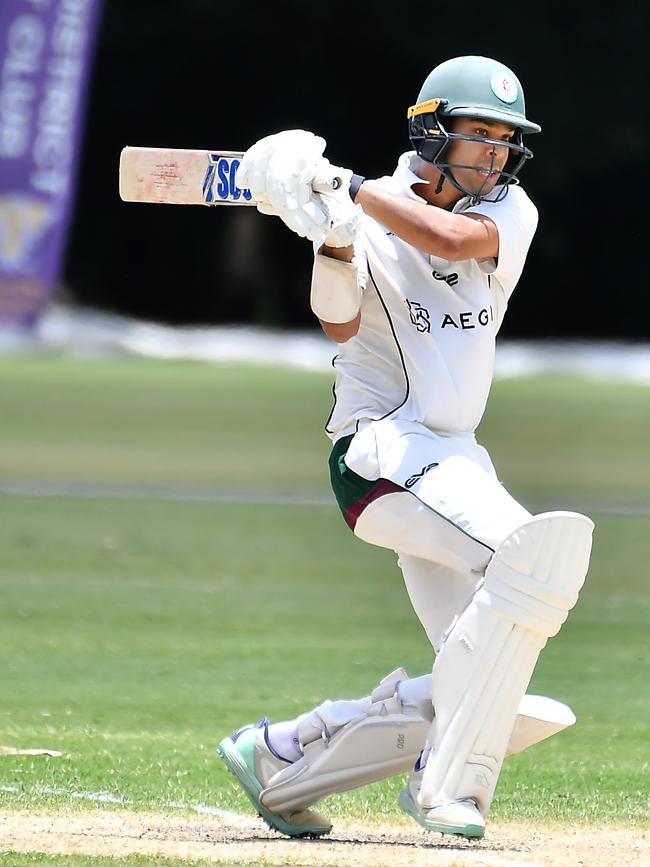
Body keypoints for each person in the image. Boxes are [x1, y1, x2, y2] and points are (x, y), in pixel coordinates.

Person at [217, 56, 593, 841]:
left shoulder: (506, 212)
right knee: (539, 558)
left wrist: (349, 189)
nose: (493, 154)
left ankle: (284, 752)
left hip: (454, 461)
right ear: (432, 129)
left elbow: (450, 238)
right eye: (477, 135)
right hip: (380, 456)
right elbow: (339, 324)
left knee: (481, 675)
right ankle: (446, 787)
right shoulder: (364, 214)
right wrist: (335, 239)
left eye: (504, 140)